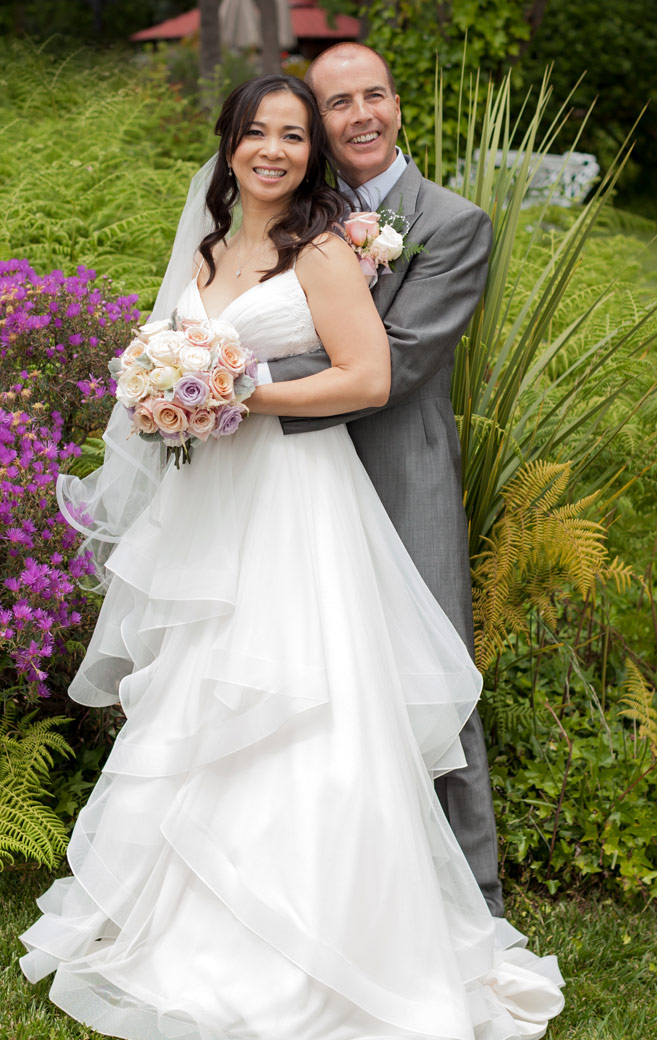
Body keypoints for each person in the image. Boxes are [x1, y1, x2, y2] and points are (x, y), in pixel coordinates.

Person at [20, 75, 563, 1040]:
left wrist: (236, 393)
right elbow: (169, 352)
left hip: (294, 499)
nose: (274, 149)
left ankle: (327, 949)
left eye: (292, 136)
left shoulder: (317, 250)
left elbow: (364, 376)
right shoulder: (208, 249)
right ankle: (185, 933)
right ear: (228, 146)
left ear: (310, 154)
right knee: (201, 697)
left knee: (304, 697)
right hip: (211, 505)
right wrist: (165, 399)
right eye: (256, 133)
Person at [267, 43, 503, 918]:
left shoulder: (451, 221)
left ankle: (471, 901)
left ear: (396, 105)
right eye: (337, 103)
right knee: (319, 672)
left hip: (403, 476)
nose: (359, 114)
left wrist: (229, 386)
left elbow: (394, 363)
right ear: (320, 123)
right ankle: (345, 892)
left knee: (433, 678)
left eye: (373, 96)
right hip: (297, 485)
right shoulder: (298, 213)